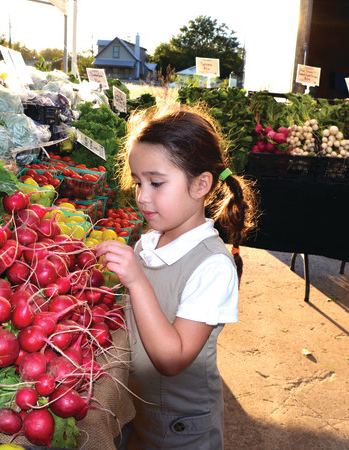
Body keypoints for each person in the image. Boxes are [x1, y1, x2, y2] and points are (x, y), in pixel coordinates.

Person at [96, 105, 258, 449]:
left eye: (156, 183)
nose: (142, 197)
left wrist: (136, 281)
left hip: (182, 431)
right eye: (138, 182)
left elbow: (173, 358)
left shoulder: (212, 266)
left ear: (201, 185)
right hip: (140, 410)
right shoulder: (149, 241)